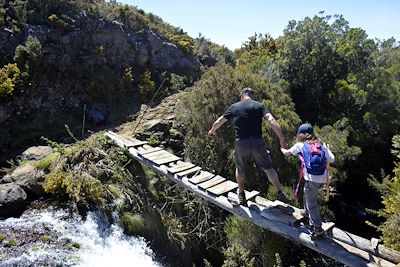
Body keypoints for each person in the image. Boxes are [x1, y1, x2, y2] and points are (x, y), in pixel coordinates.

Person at [208, 87, 290, 206]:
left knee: (240, 168)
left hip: (241, 143)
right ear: (252, 96)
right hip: (257, 142)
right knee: (268, 168)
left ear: (242, 96)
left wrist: (212, 131)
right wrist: (282, 139)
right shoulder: (259, 106)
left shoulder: (234, 107)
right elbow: (271, 120)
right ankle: (280, 193)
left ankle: (241, 194)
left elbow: (219, 121)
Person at [280, 123, 335, 238]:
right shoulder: (321, 144)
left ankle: (317, 228)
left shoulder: (300, 145)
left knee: (312, 203)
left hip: (311, 178)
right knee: (308, 192)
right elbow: (332, 159)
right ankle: (306, 212)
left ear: (301, 134)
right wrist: (328, 150)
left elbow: (287, 153)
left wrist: (281, 148)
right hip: (321, 178)